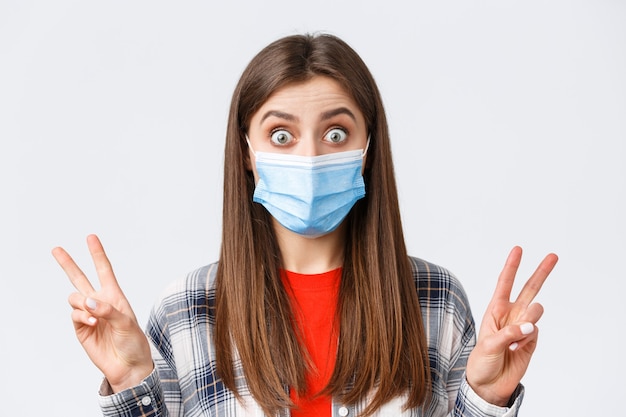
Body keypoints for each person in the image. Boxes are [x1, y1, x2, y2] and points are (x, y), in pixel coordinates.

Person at [52, 33, 558, 417]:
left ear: (367, 149)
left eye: (336, 132)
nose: (311, 156)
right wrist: (131, 381)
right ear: (247, 153)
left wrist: (488, 397)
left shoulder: (435, 299)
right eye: (281, 134)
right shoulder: (187, 308)